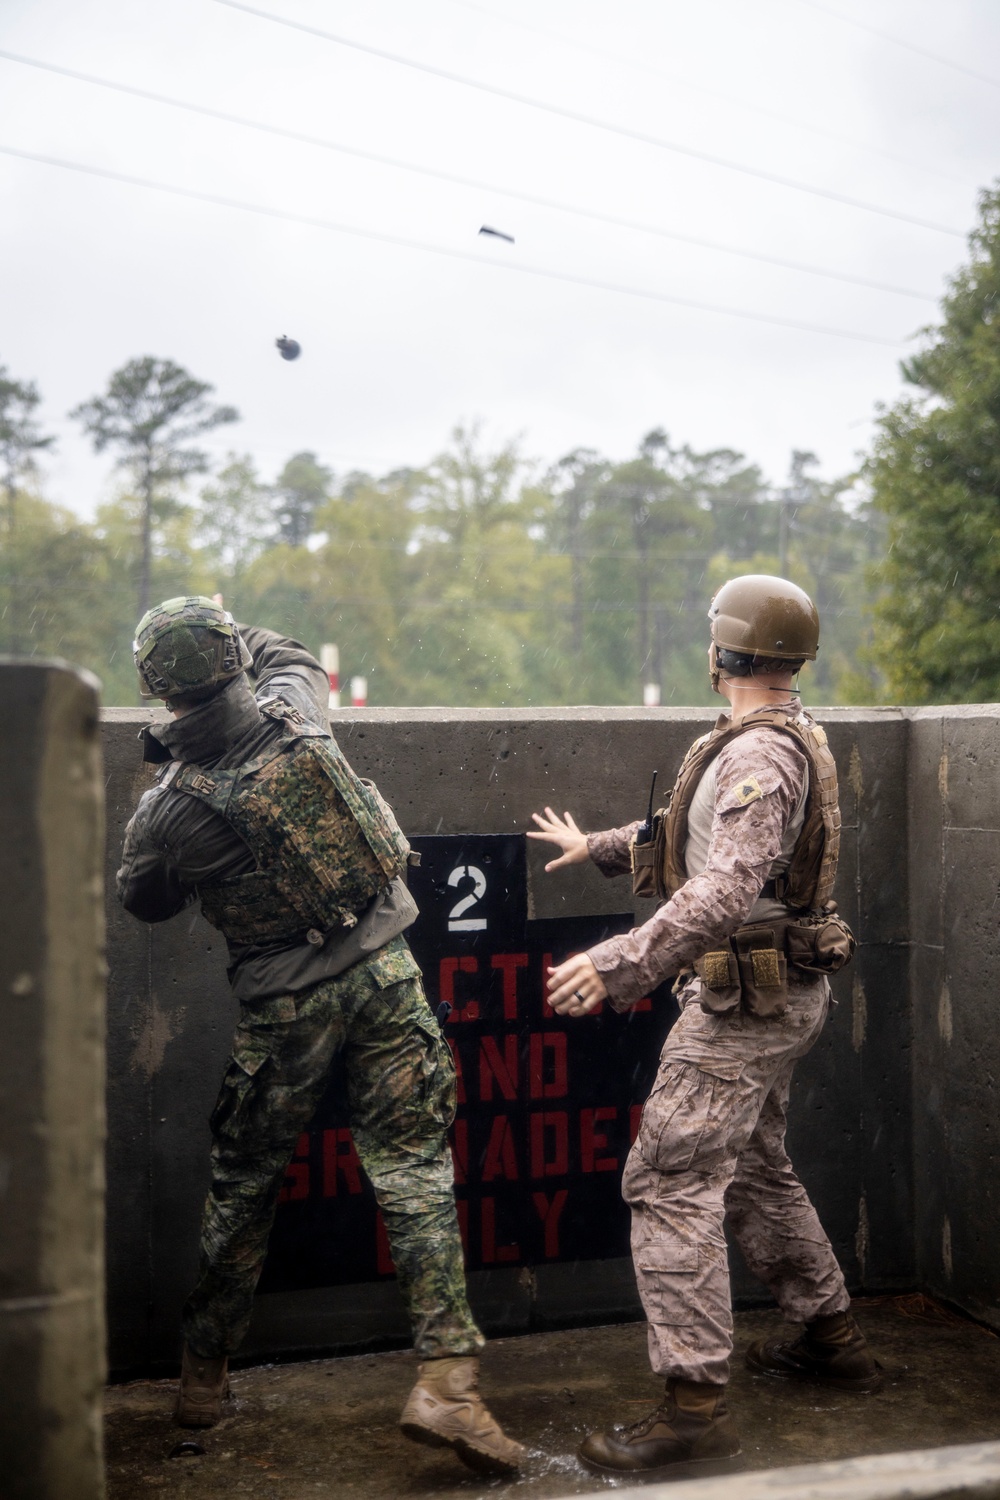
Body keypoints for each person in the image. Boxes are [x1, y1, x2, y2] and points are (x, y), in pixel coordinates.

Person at [117, 596, 522, 1477]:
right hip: (387, 976)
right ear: (233, 656)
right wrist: (226, 621)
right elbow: (287, 648)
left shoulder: (170, 811)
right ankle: (449, 1386)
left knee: (244, 1185)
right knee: (414, 1171)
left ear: (153, 686)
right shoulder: (297, 706)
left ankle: (201, 1382)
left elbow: (143, 901)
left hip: (282, 1008)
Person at [529, 574, 879, 1484]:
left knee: (669, 1178)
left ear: (723, 651)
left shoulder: (760, 758)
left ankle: (693, 1414)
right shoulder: (771, 739)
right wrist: (602, 847)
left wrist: (618, 964)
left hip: (740, 1009)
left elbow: (726, 886)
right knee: (757, 1169)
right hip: (774, 998)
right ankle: (831, 1336)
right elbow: (702, 832)